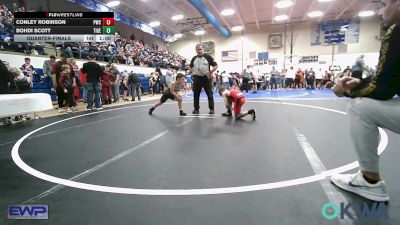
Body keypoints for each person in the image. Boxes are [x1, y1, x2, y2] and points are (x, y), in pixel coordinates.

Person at [331, 0, 400, 202]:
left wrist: (345, 91)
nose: (380, 12)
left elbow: (385, 89)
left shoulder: (396, 31)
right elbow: (392, 80)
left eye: (384, 4)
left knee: (359, 107)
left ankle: (370, 181)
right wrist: (361, 81)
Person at [189, 44, 218, 114]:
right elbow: (190, 66)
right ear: (196, 50)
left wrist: (210, 72)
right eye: (198, 49)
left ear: (203, 50)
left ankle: (211, 109)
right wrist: (191, 72)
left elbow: (215, 65)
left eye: (201, 49)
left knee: (209, 94)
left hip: (206, 78)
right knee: (196, 94)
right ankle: (196, 109)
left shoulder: (208, 57)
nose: (199, 51)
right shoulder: (194, 58)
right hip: (196, 78)